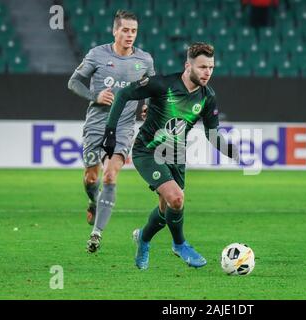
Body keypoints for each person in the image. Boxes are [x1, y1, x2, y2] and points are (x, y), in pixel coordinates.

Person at [102, 42, 239, 269]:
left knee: (167, 210)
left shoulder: (208, 97)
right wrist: (110, 131)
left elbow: (212, 134)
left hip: (176, 155)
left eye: (211, 67)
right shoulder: (163, 85)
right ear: (188, 66)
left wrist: (230, 150)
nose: (207, 72)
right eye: (202, 67)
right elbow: (125, 94)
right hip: (147, 151)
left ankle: (143, 239)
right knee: (176, 198)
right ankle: (180, 244)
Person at [67, 10, 155, 253]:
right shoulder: (97, 55)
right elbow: (73, 82)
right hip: (96, 126)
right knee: (91, 178)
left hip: (124, 127)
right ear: (115, 30)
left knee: (109, 176)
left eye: (133, 31)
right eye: (125, 30)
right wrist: (94, 95)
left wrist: (148, 106)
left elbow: (153, 89)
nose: (129, 35)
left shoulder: (145, 60)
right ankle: (93, 200)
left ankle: (96, 234)